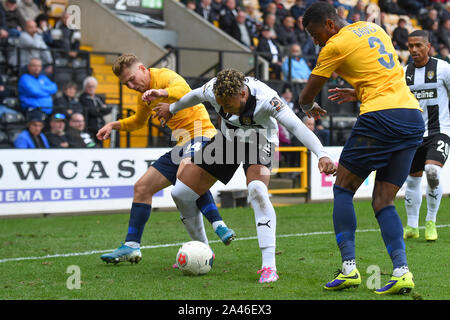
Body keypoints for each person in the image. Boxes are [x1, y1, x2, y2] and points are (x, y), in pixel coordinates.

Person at [152, 68, 336, 283]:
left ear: (243, 94)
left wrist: (322, 154)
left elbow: (296, 126)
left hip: (261, 142)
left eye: (228, 104)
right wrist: (172, 108)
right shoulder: (213, 90)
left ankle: (269, 266)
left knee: (257, 190)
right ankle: (204, 251)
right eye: (220, 104)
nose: (223, 108)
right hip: (229, 141)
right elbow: (193, 95)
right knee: (181, 193)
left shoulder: (268, 100)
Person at [299, 2, 424, 294]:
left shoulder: (333, 46)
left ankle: (349, 269)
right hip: (411, 117)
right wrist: (357, 90)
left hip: (380, 117)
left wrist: (309, 106)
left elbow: (307, 95)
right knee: (383, 200)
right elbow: (386, 75)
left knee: (343, 188)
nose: (314, 40)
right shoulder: (375, 29)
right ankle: (402, 272)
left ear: (329, 24)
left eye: (315, 33)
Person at [96, 54, 235, 264]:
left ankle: (218, 224)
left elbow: (185, 92)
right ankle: (132, 246)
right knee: (142, 187)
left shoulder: (165, 76)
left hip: (202, 134)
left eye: (132, 79)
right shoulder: (144, 95)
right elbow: (137, 122)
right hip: (182, 144)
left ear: (142, 68)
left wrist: (161, 93)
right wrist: (113, 125)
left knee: (185, 177)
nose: (131, 85)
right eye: (126, 84)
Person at [403, 30, 450, 242]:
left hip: (440, 131)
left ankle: (431, 221)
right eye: (410, 46)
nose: (414, 50)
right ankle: (412, 225)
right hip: (413, 135)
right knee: (412, 181)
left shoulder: (443, 69)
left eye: (418, 45)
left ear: (428, 46)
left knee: (432, 171)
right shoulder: (404, 73)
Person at [79, 76, 112, 146]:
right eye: (89, 86)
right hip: (91, 127)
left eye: (93, 86)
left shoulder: (98, 98)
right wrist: (101, 110)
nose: (91, 88)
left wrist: (99, 110)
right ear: (85, 87)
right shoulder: (83, 98)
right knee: (94, 146)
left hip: (102, 126)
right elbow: (92, 112)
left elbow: (108, 110)